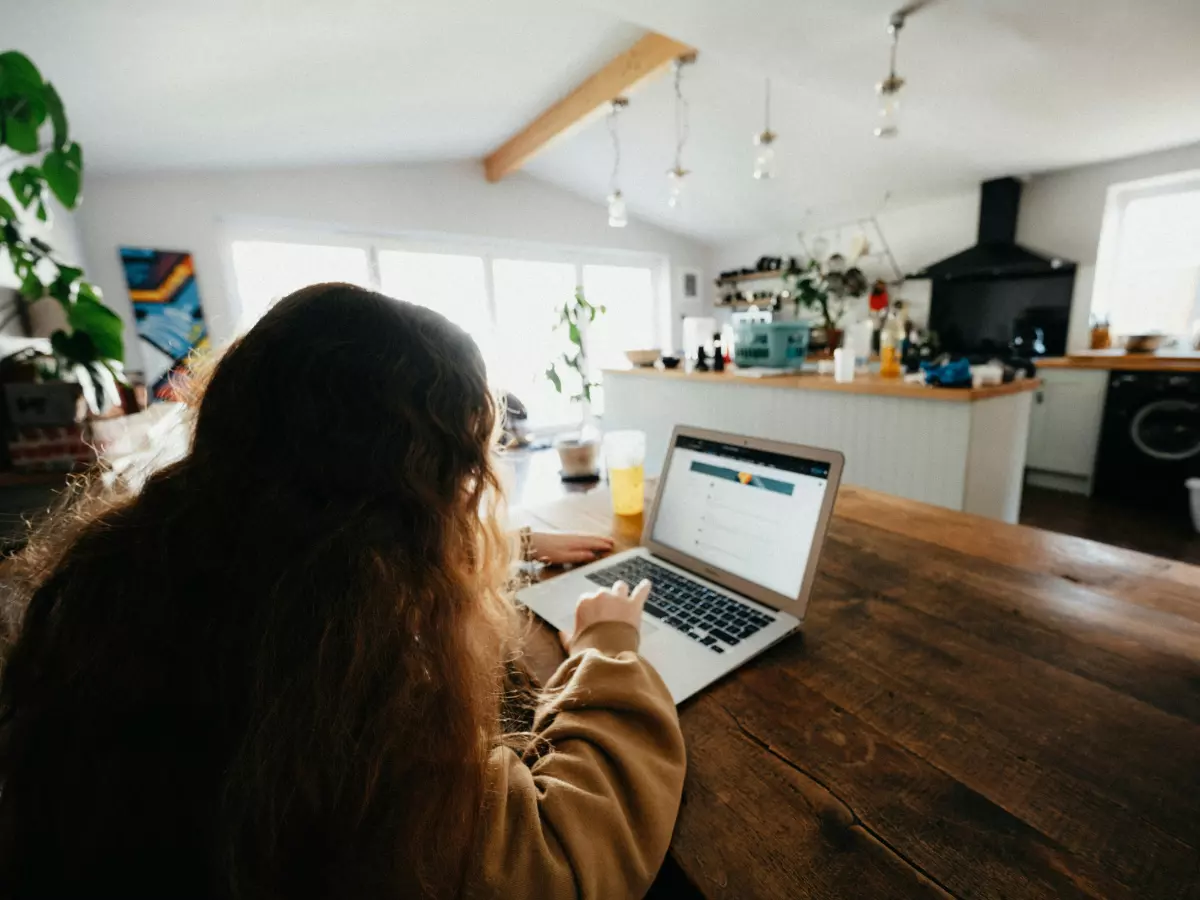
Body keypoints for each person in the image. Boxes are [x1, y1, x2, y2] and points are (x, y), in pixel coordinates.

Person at [0, 283, 685, 899]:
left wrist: (515, 549)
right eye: (462, 471)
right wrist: (607, 648)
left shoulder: (135, 579)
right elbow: (558, 859)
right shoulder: (336, 694)